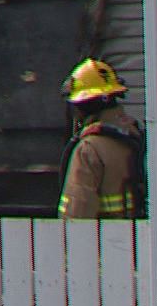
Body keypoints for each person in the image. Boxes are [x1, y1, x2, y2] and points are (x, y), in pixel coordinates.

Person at [57, 58, 147, 219]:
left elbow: (78, 215)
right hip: (141, 232)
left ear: (82, 106)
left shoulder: (89, 148)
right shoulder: (136, 136)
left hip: (105, 235)